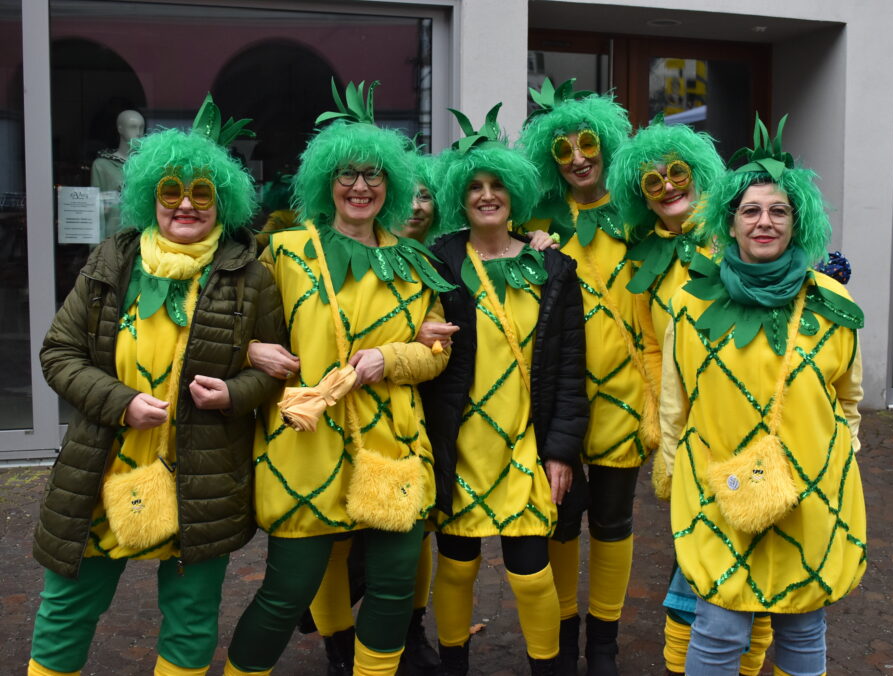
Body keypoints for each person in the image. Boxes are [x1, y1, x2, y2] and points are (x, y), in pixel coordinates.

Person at [28, 96, 286, 676]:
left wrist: (235, 393)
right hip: (102, 465)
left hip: (203, 474)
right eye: (171, 191)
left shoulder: (251, 275)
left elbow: (273, 372)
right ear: (151, 196)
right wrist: (120, 404)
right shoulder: (112, 261)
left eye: (202, 193)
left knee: (191, 616)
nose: (186, 205)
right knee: (67, 606)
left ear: (223, 201)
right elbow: (59, 353)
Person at [225, 80, 455, 676]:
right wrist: (252, 349)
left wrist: (392, 359)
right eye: (347, 174)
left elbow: (437, 352)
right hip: (305, 443)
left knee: (392, 588)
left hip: (392, 445)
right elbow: (224, 325)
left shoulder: (414, 260)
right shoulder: (284, 252)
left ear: (391, 184)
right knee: (285, 593)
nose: (360, 186)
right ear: (326, 182)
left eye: (373, 174)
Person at [658, 117, 867, 676]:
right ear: (730, 222)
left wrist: (840, 456)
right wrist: (673, 468)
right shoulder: (691, 303)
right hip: (721, 485)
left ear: (798, 221)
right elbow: (675, 401)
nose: (765, 221)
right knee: (719, 623)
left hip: (810, 489)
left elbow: (849, 398)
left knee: (802, 622)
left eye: (778, 210)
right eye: (750, 210)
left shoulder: (834, 302)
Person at [417, 105, 588, 676]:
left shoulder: (553, 267)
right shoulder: (437, 261)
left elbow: (570, 368)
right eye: (475, 187)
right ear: (459, 197)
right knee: (456, 569)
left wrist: (561, 450)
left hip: (525, 448)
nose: (487, 195)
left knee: (532, 574)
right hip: (459, 445)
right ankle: (453, 667)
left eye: (497, 185)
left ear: (515, 194)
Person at [607, 118, 779, 676]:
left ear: (698, 174)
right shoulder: (642, 259)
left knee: (759, 558)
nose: (667, 187)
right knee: (696, 557)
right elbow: (649, 347)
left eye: (676, 173)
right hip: (691, 433)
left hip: (750, 424)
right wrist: (664, 428)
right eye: (652, 181)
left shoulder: (734, 239)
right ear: (640, 195)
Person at [518, 78, 658, 675]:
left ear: (607, 145)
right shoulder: (538, 222)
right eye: (563, 148)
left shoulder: (638, 217)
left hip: (625, 396)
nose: (577, 158)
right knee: (559, 521)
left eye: (588, 144)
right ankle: (563, 631)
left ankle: (603, 643)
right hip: (561, 399)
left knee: (613, 522)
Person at [91, 109, 146, 238]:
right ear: (120, 129)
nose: (138, 133)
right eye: (133, 127)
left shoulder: (148, 165)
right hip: (113, 239)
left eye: (141, 128)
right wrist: (96, 246)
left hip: (144, 239)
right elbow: (96, 211)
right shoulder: (102, 166)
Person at [397, 150, 440, 244]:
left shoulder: (448, 252)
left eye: (424, 197)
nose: (415, 207)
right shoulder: (369, 252)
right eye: (403, 198)